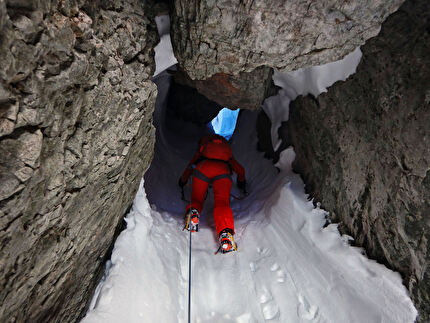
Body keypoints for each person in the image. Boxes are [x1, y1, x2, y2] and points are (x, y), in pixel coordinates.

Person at [178, 134, 246, 253]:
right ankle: (225, 235)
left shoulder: (204, 147)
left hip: (202, 168)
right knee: (222, 203)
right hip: (222, 172)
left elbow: (191, 165)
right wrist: (241, 183)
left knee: (197, 199)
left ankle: (193, 216)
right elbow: (240, 170)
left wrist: (183, 181)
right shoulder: (226, 152)